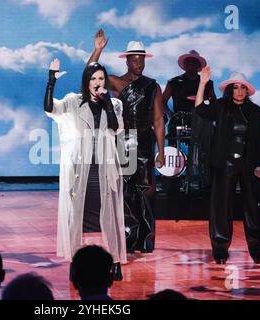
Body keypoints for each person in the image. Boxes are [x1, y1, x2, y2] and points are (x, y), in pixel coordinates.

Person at [44, 58, 126, 281]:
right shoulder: (73, 101)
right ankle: (74, 263)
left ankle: (116, 262)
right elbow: (50, 108)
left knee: (110, 215)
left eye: (101, 78)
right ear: (86, 81)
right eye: (93, 79)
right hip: (81, 166)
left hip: (105, 165)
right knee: (75, 215)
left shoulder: (114, 104)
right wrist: (51, 80)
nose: (97, 82)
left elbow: (116, 128)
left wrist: (108, 103)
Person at [87, 29, 166, 253]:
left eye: (142, 59)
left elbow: (159, 120)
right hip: (123, 140)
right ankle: (128, 238)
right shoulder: (115, 82)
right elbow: (90, 74)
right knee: (125, 190)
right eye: (135, 59)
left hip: (145, 142)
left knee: (147, 190)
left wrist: (160, 151)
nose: (139, 64)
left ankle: (146, 239)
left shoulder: (153, 86)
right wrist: (98, 49)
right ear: (128, 60)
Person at [195, 67, 260, 264]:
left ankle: (257, 248)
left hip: (249, 163)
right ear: (230, 90)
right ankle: (220, 249)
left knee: (253, 206)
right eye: (235, 88)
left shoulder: (256, 112)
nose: (239, 91)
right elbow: (200, 109)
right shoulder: (221, 107)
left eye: (243, 88)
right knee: (221, 206)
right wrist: (202, 83)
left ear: (247, 91)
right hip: (224, 163)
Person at [162, 50, 216, 189]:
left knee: (211, 139)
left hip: (200, 121)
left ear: (199, 66)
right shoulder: (174, 82)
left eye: (194, 63)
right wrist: (170, 113)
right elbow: (162, 101)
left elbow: (214, 103)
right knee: (173, 144)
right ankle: (172, 177)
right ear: (184, 65)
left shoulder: (207, 83)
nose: (191, 65)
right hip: (179, 120)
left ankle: (207, 179)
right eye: (189, 63)